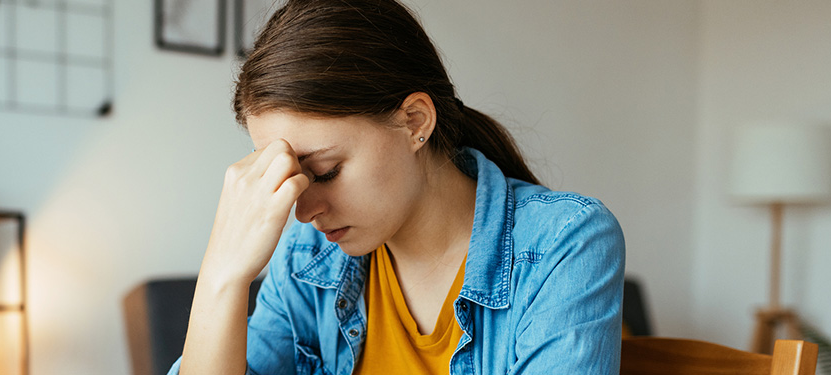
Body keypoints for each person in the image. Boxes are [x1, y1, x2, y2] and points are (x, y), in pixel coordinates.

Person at [170, 0, 625, 374]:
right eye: (292, 180)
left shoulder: (564, 244)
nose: (303, 212)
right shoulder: (307, 261)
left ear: (415, 122)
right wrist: (222, 276)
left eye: (324, 171)